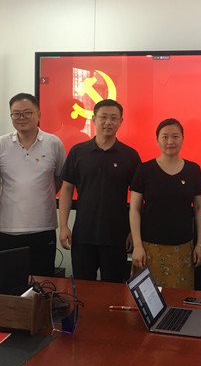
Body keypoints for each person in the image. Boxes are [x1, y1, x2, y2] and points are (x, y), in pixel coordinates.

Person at [59, 99, 141, 283]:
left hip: (117, 236)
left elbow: (139, 198)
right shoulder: (78, 152)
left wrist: (132, 232)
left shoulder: (130, 155)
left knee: (114, 290)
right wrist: (63, 226)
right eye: (103, 117)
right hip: (83, 235)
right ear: (94, 119)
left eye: (114, 118)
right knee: (83, 288)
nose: (108, 122)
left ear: (121, 121)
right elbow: (66, 190)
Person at [0, 93, 66, 277]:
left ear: (38, 114)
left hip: (44, 227)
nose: (21, 117)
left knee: (43, 282)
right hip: (9, 229)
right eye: (16, 114)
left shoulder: (54, 143)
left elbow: (59, 179)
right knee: (10, 282)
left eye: (27, 113)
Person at [129, 118, 201, 289]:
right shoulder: (144, 170)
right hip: (149, 247)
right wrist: (137, 245)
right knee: (149, 297)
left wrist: (200, 244)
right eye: (165, 137)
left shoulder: (193, 170)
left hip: (183, 247)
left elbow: (199, 208)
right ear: (157, 140)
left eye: (175, 136)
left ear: (183, 139)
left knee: (180, 298)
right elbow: (134, 209)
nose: (170, 141)